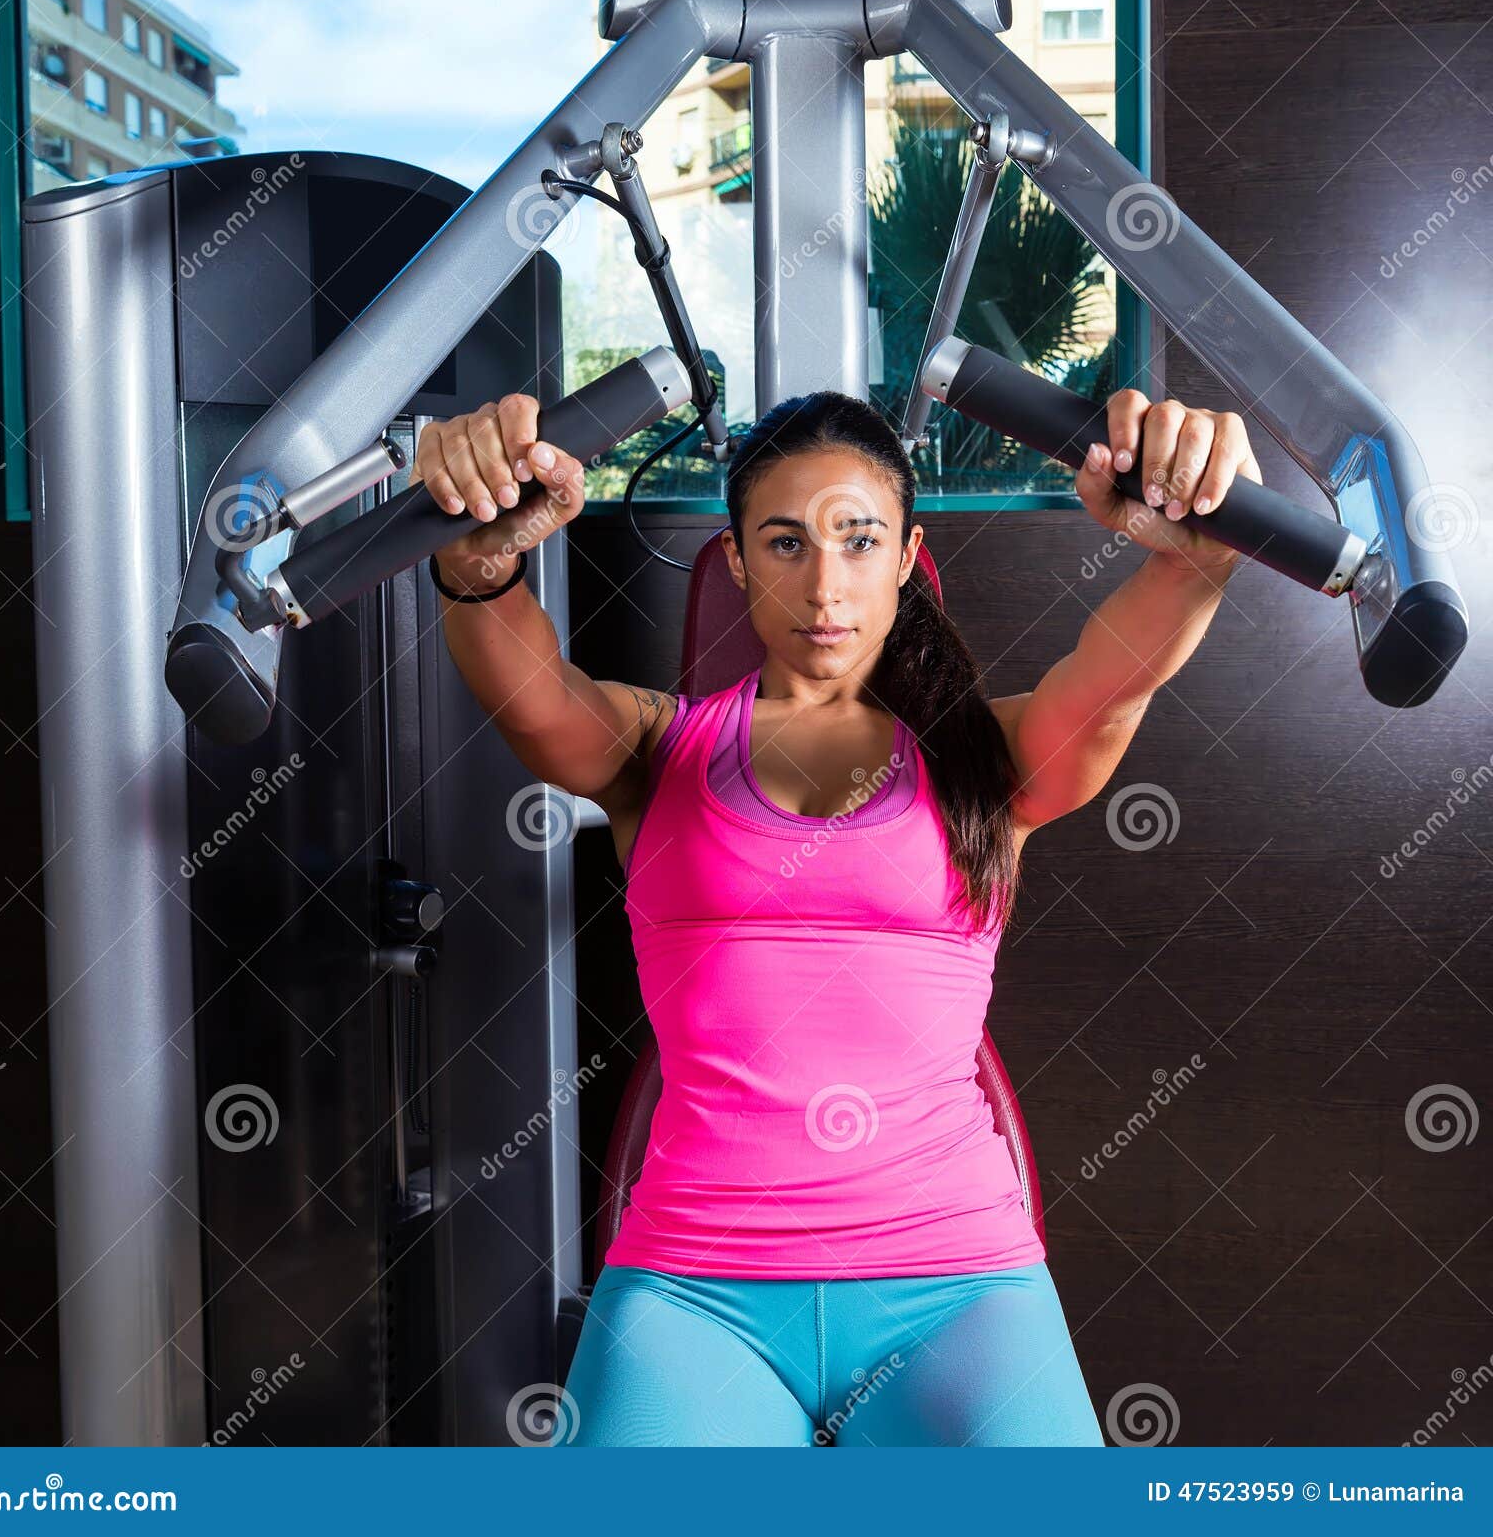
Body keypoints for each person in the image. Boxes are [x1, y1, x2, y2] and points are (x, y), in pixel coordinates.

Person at [412, 379, 1261, 1446]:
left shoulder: (984, 763)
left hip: (957, 1286)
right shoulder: (655, 749)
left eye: (859, 541)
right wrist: (478, 567)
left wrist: (1201, 540)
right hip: (696, 1287)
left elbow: (1113, 681)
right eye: (783, 543)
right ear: (732, 559)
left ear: (907, 558)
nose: (825, 585)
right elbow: (532, 696)